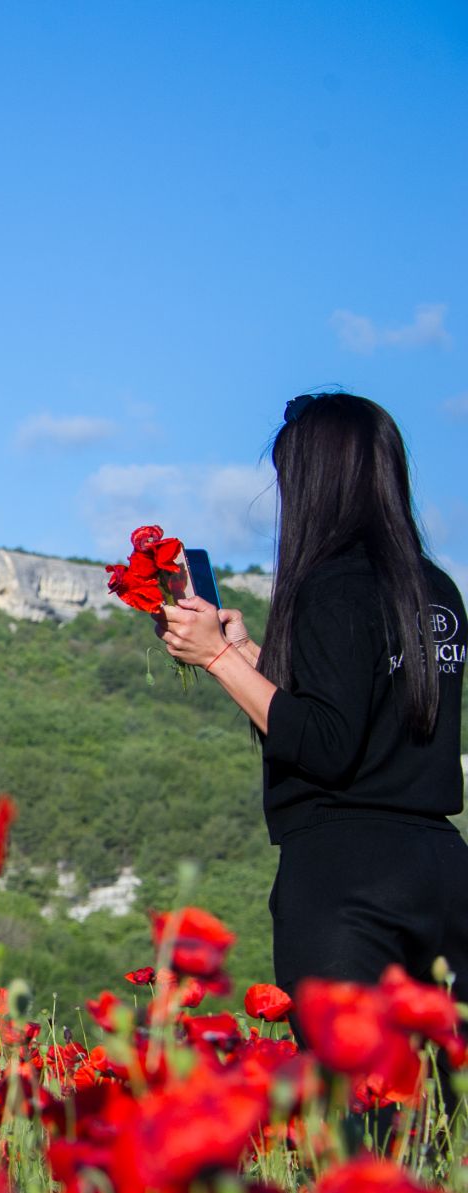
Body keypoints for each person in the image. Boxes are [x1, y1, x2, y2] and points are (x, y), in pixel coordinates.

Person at [159, 394, 465, 998]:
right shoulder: (434, 588)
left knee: (358, 1089)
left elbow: (327, 746)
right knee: (440, 1089)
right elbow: (360, 706)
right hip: (442, 871)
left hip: (349, 879)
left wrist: (215, 658)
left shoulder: (332, 585)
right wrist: (251, 657)